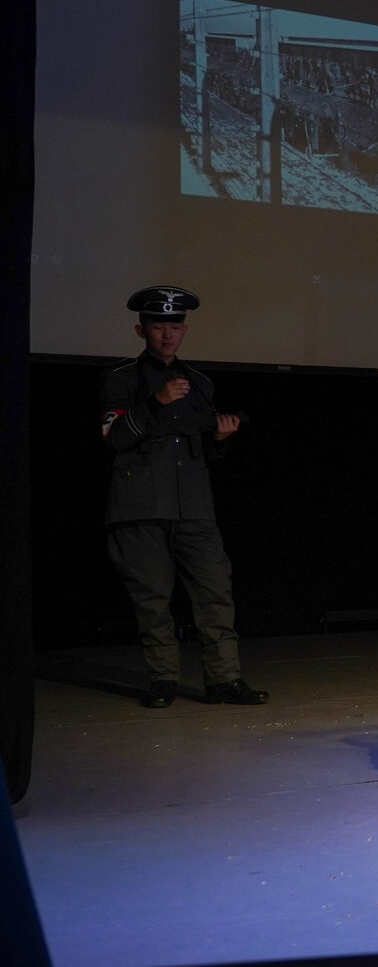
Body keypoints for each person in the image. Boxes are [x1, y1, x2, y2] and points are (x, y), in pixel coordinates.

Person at [100, 286, 267, 709]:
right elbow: (114, 437)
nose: (167, 335)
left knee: (214, 593)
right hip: (140, 505)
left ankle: (224, 680)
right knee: (152, 599)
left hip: (194, 506)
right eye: (159, 326)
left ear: (184, 331)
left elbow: (200, 446)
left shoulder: (200, 382)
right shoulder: (122, 378)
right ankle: (163, 681)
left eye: (174, 327)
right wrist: (155, 403)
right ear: (141, 330)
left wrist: (220, 439)